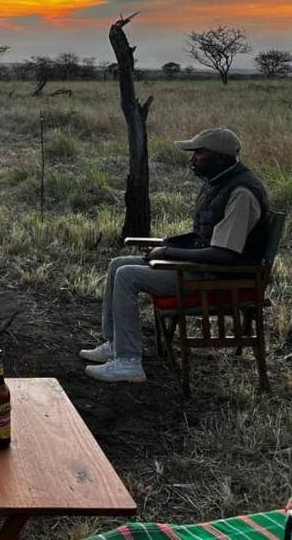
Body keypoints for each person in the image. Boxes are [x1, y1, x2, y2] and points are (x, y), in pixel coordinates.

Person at [80, 127, 269, 383]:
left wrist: (168, 252)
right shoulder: (220, 182)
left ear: (221, 158)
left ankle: (129, 362)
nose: (192, 159)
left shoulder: (241, 193)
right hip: (203, 269)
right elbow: (206, 238)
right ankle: (115, 344)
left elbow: (225, 254)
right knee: (118, 264)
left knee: (127, 276)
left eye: (199, 154)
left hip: (219, 278)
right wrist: (168, 248)